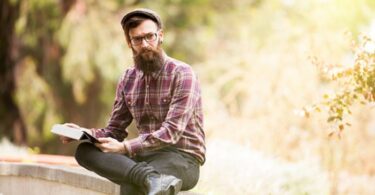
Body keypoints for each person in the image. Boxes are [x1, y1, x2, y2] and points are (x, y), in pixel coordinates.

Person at [59, 8, 206, 195]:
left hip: (182, 158)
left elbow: (172, 132)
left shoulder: (183, 73)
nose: (145, 44)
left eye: (149, 37)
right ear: (130, 43)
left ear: (160, 36)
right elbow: (114, 131)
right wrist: (85, 133)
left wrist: (126, 147)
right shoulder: (128, 78)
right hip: (145, 157)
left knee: (132, 186)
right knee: (85, 151)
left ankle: (146, 178)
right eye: (137, 39)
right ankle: (150, 178)